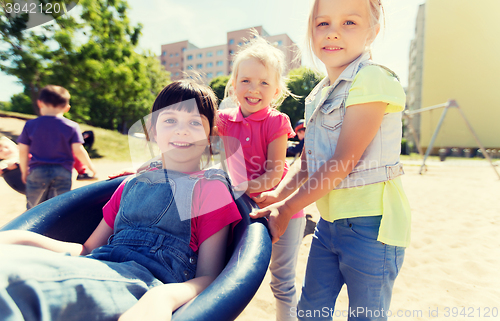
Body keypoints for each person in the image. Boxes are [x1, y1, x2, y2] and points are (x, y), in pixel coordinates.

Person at [0, 80, 242, 320]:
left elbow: (210, 276)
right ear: (154, 131)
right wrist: (22, 239)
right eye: (170, 120)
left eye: (194, 122)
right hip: (97, 267)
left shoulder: (210, 189)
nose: (182, 130)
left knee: (10, 283)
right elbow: (88, 249)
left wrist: (163, 297)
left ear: (210, 136)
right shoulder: (131, 185)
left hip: (142, 287)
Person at [251, 0, 411, 320]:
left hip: (373, 226)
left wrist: (287, 210)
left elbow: (342, 161)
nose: (333, 32)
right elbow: (309, 164)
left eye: (349, 23)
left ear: (373, 32)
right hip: (329, 225)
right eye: (323, 23)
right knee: (311, 310)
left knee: (365, 314)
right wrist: (277, 195)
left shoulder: (372, 79)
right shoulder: (317, 95)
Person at [217, 33, 306, 321]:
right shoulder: (223, 121)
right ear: (233, 84)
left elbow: (273, 174)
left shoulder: (276, 122)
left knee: (281, 281)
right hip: (236, 207)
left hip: (280, 210)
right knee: (223, 274)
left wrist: (236, 188)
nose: (254, 89)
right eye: (246, 81)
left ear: (277, 91)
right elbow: (197, 157)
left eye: (264, 82)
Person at [17, 85, 97, 209]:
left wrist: (23, 171)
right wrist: (91, 167)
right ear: (67, 108)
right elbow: (78, 150)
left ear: (39, 103)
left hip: (37, 171)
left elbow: (23, 151)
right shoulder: (72, 126)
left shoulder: (30, 125)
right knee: (58, 208)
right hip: (62, 172)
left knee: (33, 209)